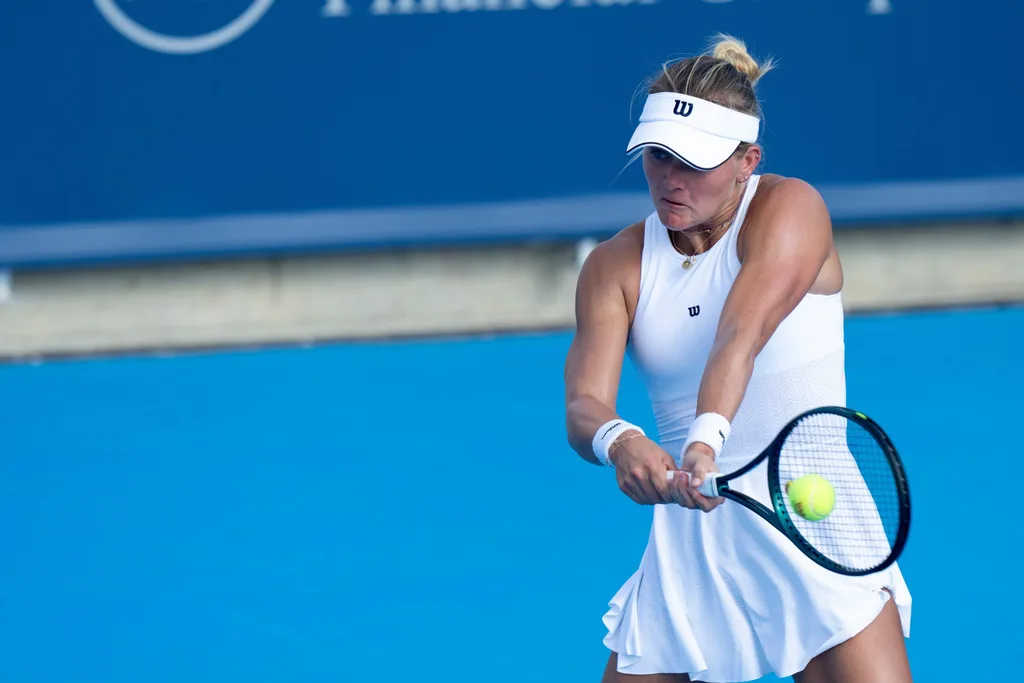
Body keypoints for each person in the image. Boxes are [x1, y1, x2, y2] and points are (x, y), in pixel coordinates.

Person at [563, 35, 913, 683]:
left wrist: (703, 440)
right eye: (659, 155)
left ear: (747, 160)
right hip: (695, 538)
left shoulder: (790, 209)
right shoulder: (613, 266)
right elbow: (584, 404)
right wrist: (619, 439)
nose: (670, 178)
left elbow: (740, 333)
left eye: (693, 162)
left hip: (821, 523)